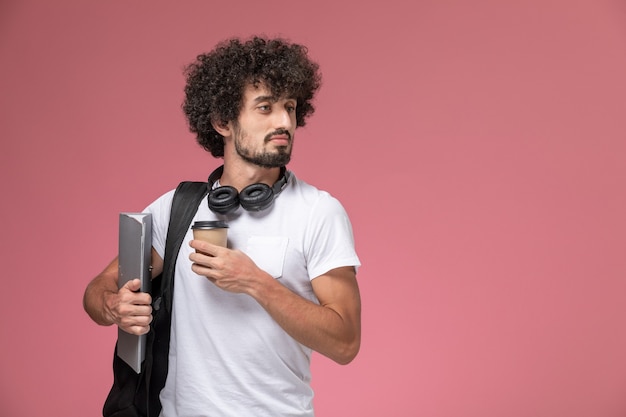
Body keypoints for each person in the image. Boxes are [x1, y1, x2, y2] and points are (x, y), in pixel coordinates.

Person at [83, 35, 361, 417]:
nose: (284, 121)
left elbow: (345, 343)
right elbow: (97, 291)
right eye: (265, 107)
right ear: (221, 122)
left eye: (290, 108)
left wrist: (254, 282)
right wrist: (114, 306)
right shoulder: (177, 209)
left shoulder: (318, 212)